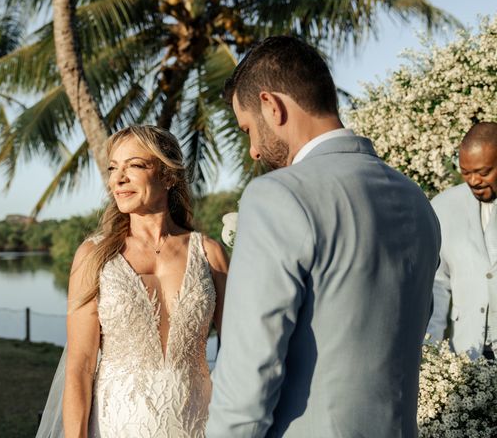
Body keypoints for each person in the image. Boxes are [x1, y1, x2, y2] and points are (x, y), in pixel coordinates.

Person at [205, 36, 441, 438]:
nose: (254, 151)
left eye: (248, 130)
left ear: (271, 106)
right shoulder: (417, 200)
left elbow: (248, 379)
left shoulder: (278, 196)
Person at [36, 125, 228, 438]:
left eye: (134, 165)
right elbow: (81, 365)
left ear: (168, 176)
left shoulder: (210, 254)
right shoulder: (94, 255)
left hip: (200, 425)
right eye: (113, 168)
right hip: (116, 427)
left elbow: (239, 352)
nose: (118, 179)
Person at [427, 122, 497, 360]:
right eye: (466, 172)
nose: (474, 181)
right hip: (467, 352)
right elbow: (436, 284)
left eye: (484, 172)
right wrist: (430, 348)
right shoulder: (442, 207)